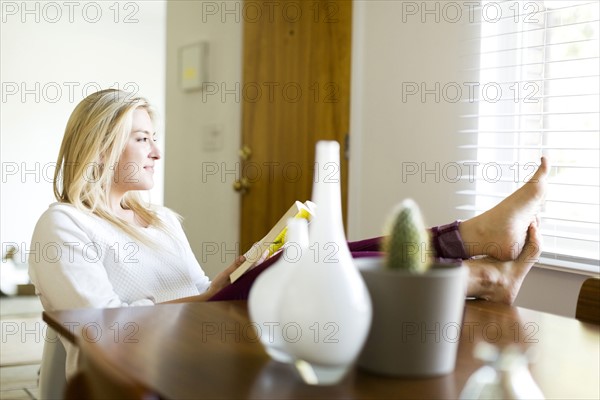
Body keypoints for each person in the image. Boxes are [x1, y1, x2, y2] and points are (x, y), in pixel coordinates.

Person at [29, 89, 546, 376]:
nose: (157, 153)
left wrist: (230, 280)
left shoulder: (161, 219)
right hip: (136, 368)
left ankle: (476, 267)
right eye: (141, 139)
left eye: (154, 139)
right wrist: (211, 295)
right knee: (309, 267)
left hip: (206, 343)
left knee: (308, 266)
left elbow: (197, 293)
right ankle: (471, 254)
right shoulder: (63, 225)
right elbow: (94, 325)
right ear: (98, 148)